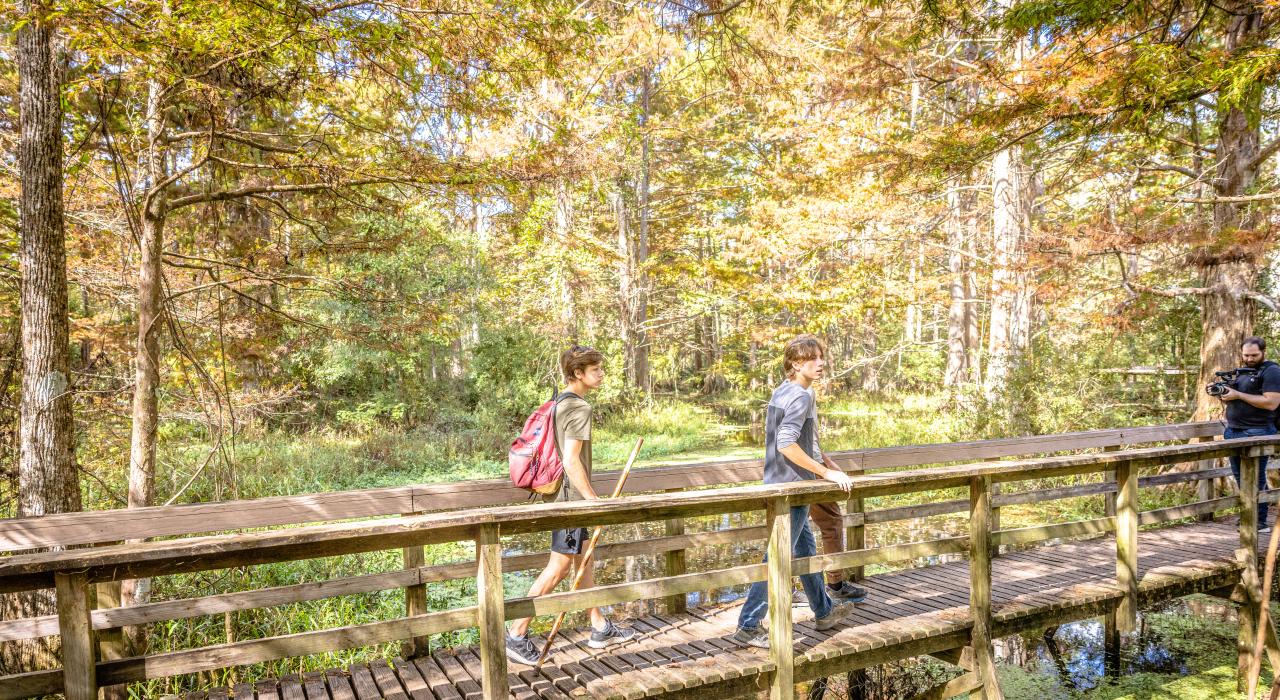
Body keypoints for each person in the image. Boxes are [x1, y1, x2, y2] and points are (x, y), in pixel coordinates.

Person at [506, 345, 634, 666]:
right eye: (595, 370)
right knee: (559, 567)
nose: (601, 374)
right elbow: (572, 461)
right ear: (578, 373)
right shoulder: (578, 408)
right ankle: (516, 633)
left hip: (562, 497)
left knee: (584, 560)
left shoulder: (558, 402)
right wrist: (592, 500)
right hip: (570, 501)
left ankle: (599, 626)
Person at [732, 335, 860, 650]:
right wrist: (826, 473)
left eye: (820, 357)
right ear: (795, 363)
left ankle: (824, 611)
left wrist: (828, 464)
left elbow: (807, 442)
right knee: (777, 556)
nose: (820, 363)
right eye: (812, 358)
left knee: (804, 550)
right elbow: (786, 443)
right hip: (792, 487)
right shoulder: (800, 396)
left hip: (779, 483)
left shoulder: (785, 390)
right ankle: (748, 625)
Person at [1217, 336, 1280, 531]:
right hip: (1234, 430)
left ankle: (1258, 522)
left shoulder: (1272, 371)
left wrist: (1238, 394)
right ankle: (1251, 514)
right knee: (1240, 477)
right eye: (1246, 355)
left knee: (1255, 477)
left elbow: (1271, 403)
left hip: (1258, 431)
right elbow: (1237, 398)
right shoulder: (1242, 372)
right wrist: (1223, 394)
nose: (1250, 359)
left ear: (1263, 352)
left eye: (1254, 355)